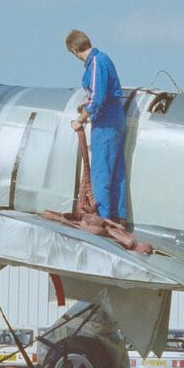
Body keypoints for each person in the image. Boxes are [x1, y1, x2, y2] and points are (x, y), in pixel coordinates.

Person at [66, 29, 129, 230]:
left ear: (75, 50)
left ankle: (101, 220)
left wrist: (80, 120)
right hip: (116, 118)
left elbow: (97, 99)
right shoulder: (105, 58)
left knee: (101, 172)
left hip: (106, 122)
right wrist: (87, 104)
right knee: (116, 172)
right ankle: (118, 218)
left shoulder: (94, 64)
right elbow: (100, 92)